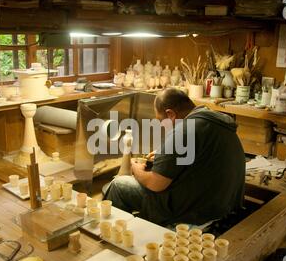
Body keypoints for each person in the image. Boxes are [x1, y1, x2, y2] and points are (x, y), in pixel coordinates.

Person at [104, 88, 245, 226]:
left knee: (119, 185)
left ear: (170, 114)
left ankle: (110, 236)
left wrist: (134, 167)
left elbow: (156, 184)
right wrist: (164, 155)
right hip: (223, 203)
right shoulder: (211, 120)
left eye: (161, 121)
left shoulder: (184, 130)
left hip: (198, 210)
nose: (163, 127)